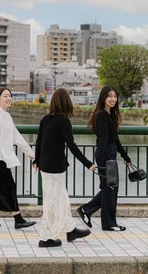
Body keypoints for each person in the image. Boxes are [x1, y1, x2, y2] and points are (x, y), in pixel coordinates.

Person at [33, 88, 95, 248]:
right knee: (53, 201)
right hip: (55, 167)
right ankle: (46, 237)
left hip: (45, 165)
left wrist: (37, 160)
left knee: (61, 199)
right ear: (67, 102)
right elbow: (72, 146)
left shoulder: (45, 119)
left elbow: (39, 141)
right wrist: (88, 163)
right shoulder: (63, 121)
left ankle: (70, 230)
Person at [0, 87, 36, 230]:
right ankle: (18, 219)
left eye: (10, 96)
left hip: (3, 158)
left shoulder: (6, 116)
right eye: (5, 96)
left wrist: (30, 153)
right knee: (9, 187)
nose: (9, 98)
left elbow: (16, 137)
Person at [77, 86, 132, 231]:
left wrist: (125, 155)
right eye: (110, 96)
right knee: (110, 188)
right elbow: (103, 141)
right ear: (103, 98)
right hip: (105, 154)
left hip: (110, 153)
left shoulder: (110, 115)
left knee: (111, 188)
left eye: (115, 96)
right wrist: (108, 160)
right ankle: (108, 223)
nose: (113, 99)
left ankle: (87, 210)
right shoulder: (101, 115)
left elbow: (115, 139)